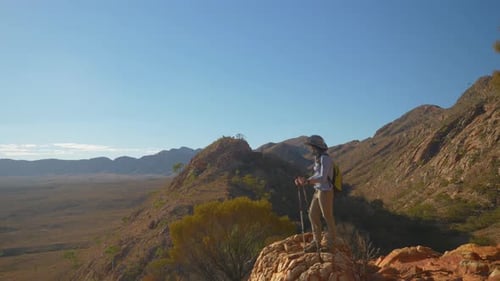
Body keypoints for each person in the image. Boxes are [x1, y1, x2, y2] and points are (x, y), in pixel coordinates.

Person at [294, 135, 336, 253]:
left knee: (327, 216)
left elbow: (323, 177)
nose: (310, 149)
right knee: (312, 214)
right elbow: (317, 175)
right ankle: (316, 242)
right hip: (318, 190)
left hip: (325, 191)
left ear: (316, 146)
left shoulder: (325, 159)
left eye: (311, 146)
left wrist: (307, 181)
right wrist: (305, 181)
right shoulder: (318, 158)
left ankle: (331, 243)